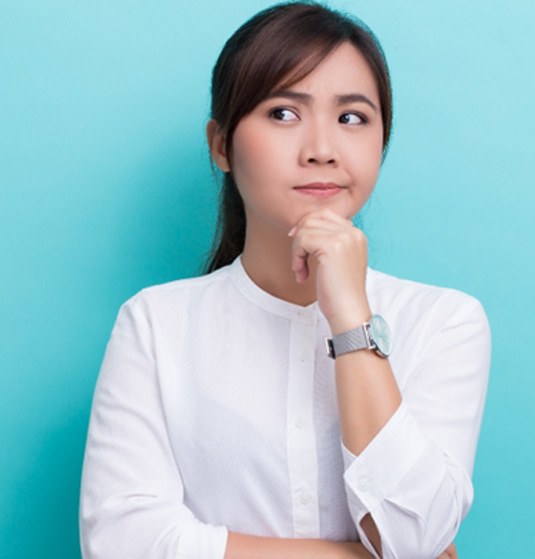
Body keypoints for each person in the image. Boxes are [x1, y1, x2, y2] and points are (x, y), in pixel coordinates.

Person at [79, 3, 490, 558]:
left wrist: (350, 316)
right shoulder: (156, 323)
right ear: (221, 145)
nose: (322, 149)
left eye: (352, 118)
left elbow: (411, 537)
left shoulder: (444, 322)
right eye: (283, 113)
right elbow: (120, 543)